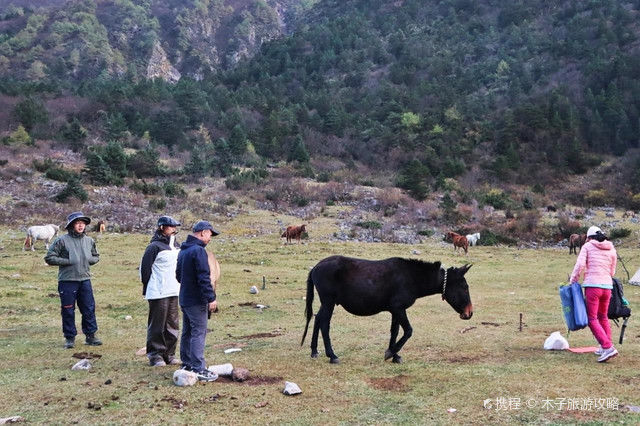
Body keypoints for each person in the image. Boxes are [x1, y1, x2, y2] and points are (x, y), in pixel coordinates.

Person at [45, 212, 102, 349]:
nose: (81, 225)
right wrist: (68, 261)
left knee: (89, 308)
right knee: (68, 310)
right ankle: (69, 338)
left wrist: (89, 260)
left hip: (85, 280)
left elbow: (96, 256)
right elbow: (49, 257)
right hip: (67, 281)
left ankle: (91, 336)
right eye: (77, 223)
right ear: (71, 225)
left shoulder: (89, 241)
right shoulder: (62, 241)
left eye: (83, 223)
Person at [176, 220, 220, 381]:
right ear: (203, 232)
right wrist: (211, 298)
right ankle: (198, 368)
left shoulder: (183, 250)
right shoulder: (199, 252)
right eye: (209, 234)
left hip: (185, 298)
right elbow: (204, 278)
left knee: (187, 332)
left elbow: (178, 276)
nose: (210, 238)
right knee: (198, 332)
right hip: (196, 300)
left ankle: (187, 363)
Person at [569, 226, 618, 362]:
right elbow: (612, 271)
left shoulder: (588, 246)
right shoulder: (611, 248)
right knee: (603, 316)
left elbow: (580, 265)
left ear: (589, 238)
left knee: (591, 318)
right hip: (607, 287)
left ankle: (608, 347)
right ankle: (605, 345)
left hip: (593, 286)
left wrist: (573, 280)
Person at [140, 216, 182, 367]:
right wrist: (147, 287)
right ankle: (155, 355)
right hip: (158, 291)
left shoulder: (177, 246)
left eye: (174, 227)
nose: (174, 230)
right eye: (171, 227)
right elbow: (145, 269)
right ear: (162, 228)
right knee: (158, 323)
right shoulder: (154, 247)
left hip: (174, 290)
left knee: (172, 323)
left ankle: (169, 354)